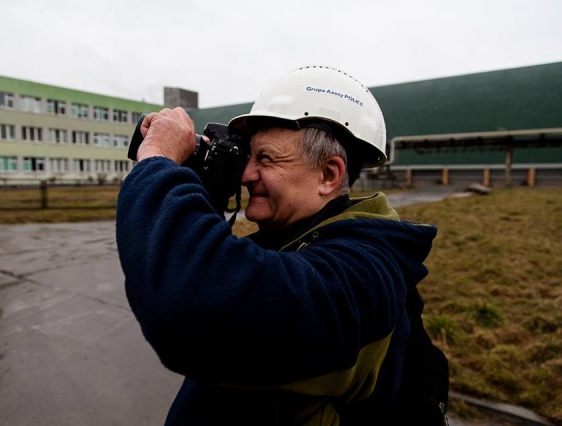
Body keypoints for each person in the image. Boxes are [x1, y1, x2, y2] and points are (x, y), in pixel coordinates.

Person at [116, 65, 448, 425]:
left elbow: (190, 305)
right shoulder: (295, 243)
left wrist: (159, 161)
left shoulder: (364, 276)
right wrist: (206, 189)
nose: (245, 175)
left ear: (328, 175)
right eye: (248, 157)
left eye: (267, 159)